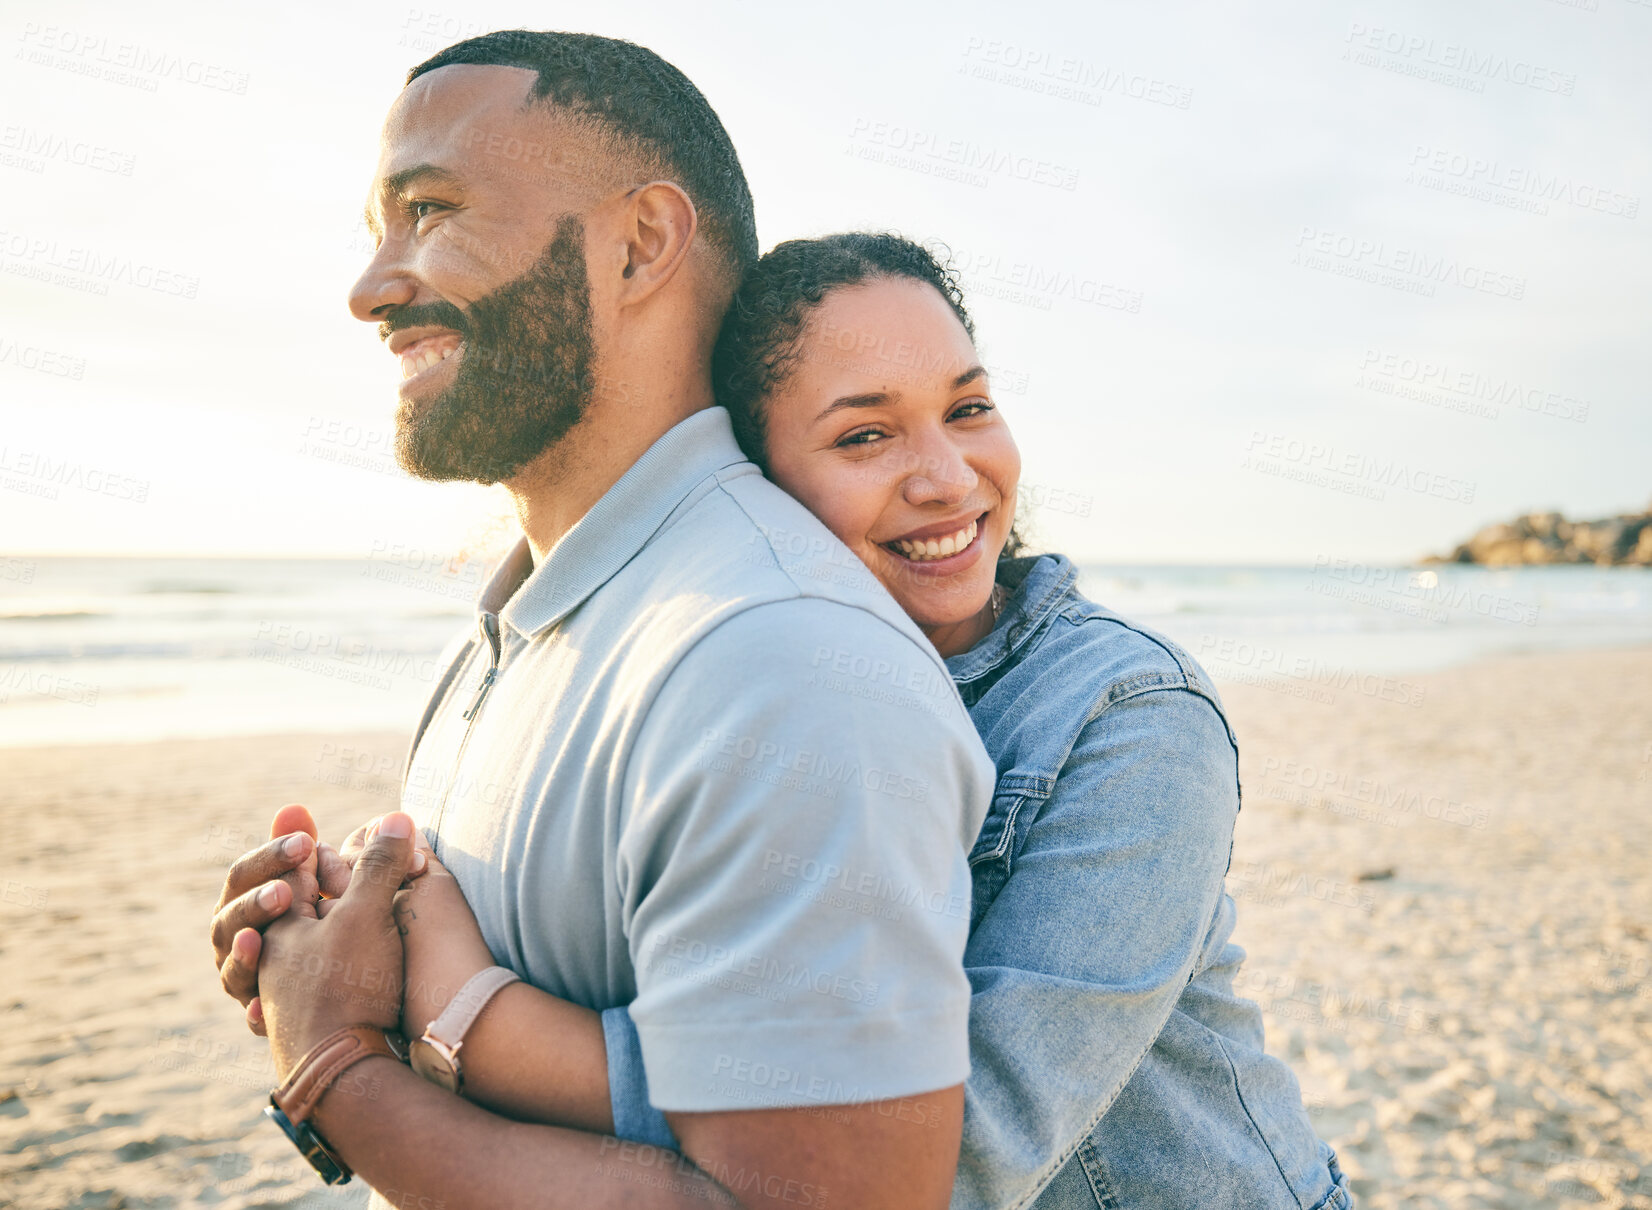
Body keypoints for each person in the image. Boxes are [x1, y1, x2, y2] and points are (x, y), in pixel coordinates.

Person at [257, 233, 1358, 1210]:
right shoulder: (701, 679)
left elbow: (944, 1156)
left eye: (967, 408)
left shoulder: (1128, 718)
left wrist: (464, 1016)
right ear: (751, 481)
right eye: (864, 436)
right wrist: (344, 932)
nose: (946, 477)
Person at [207, 33, 998, 1210]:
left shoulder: (781, 664)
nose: (372, 287)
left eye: (429, 210)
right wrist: (328, 955)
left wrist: (333, 1067)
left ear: (638, 246)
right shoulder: (528, 618)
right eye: (377, 228)